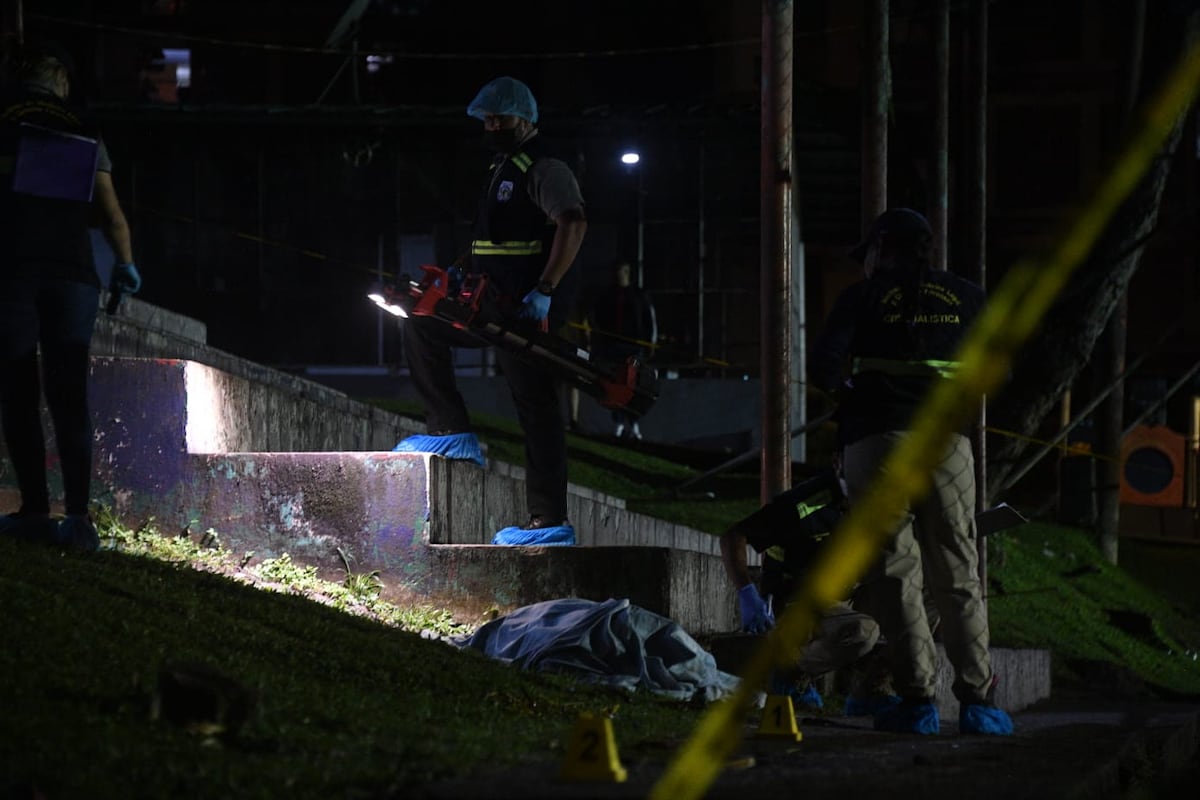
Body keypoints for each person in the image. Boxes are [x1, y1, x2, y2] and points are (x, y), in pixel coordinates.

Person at [808, 207, 1012, 735]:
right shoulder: (967, 296)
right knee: (959, 571)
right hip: (946, 444)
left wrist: (848, 401)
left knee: (896, 574)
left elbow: (824, 367)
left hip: (875, 443)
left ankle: (917, 701)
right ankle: (978, 702)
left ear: (880, 249)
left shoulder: (862, 297)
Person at [395, 76, 587, 545]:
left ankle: (548, 523)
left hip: (525, 311)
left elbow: (574, 223)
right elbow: (489, 241)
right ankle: (450, 430)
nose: (491, 126)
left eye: (499, 119)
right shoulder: (504, 167)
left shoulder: (545, 167)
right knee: (421, 324)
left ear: (525, 118)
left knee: (536, 409)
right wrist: (457, 274)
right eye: (487, 120)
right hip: (488, 303)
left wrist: (545, 288)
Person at [0, 39, 140, 551]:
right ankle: (79, 520)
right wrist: (124, 264)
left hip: (12, 268)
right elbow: (111, 213)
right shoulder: (82, 126)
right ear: (59, 81)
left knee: (18, 390)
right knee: (69, 395)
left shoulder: (3, 115)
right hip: (73, 273)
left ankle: (35, 512)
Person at [719, 466, 899, 715]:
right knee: (862, 631)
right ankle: (789, 673)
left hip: (850, 595)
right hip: (800, 603)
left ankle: (872, 687)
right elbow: (733, 538)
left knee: (926, 599)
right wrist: (747, 594)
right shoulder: (807, 503)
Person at [585, 259, 657, 439]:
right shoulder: (607, 295)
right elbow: (597, 319)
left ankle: (633, 423)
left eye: (623, 271)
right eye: (616, 271)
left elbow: (649, 320)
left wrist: (650, 343)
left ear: (628, 273)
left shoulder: (638, 295)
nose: (619, 275)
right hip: (612, 346)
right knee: (615, 385)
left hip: (634, 346)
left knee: (634, 386)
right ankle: (618, 422)